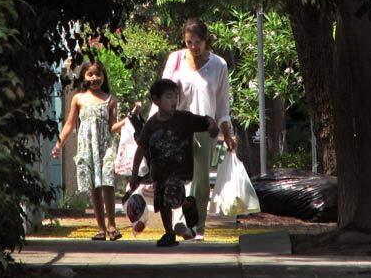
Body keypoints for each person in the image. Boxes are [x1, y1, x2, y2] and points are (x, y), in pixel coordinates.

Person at [151, 17, 236, 241]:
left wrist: (227, 133)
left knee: (199, 180)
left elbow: (222, 104)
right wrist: (154, 125)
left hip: (204, 129)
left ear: (206, 40)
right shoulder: (175, 59)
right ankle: (181, 222)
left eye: (197, 42)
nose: (193, 47)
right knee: (176, 177)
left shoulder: (219, 65)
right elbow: (162, 94)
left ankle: (197, 227)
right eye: (189, 42)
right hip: (176, 128)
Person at [52, 60, 140, 241]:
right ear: (83, 76)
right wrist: (59, 144)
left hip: (105, 147)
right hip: (87, 149)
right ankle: (101, 228)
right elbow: (69, 124)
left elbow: (113, 127)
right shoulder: (79, 98)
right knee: (94, 188)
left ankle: (112, 227)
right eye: (90, 74)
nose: (94, 78)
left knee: (108, 184)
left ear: (103, 76)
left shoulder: (111, 99)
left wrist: (130, 116)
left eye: (98, 74)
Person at [130, 79, 219, 247]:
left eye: (176, 97)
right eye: (169, 97)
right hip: (158, 172)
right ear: (156, 101)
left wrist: (212, 124)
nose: (174, 101)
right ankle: (169, 233)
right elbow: (140, 149)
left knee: (171, 193)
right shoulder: (151, 125)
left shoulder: (184, 118)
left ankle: (186, 203)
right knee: (162, 202)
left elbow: (205, 120)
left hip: (180, 171)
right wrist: (134, 175)